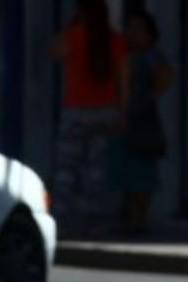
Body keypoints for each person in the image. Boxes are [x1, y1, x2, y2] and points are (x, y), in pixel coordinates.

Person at [49, 0, 127, 235]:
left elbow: (53, 51)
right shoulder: (116, 41)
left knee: (67, 168)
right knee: (97, 169)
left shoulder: (73, 37)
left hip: (76, 111)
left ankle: (62, 219)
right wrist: (122, 112)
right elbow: (125, 82)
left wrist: (71, 25)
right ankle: (95, 220)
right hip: (106, 111)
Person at [113, 8, 175, 234]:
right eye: (130, 28)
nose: (132, 33)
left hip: (141, 121)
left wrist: (148, 96)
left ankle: (139, 218)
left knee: (143, 172)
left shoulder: (149, 57)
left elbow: (167, 76)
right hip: (131, 119)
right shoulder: (130, 56)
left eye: (138, 29)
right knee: (128, 171)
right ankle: (131, 217)